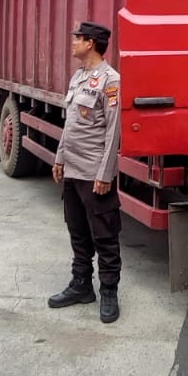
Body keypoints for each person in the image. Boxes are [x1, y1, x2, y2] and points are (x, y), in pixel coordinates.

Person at [47, 20, 125, 323]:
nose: (73, 43)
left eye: (77, 38)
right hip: (73, 171)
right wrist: (60, 158)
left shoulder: (110, 80)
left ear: (90, 43)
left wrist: (105, 174)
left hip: (94, 174)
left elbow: (113, 132)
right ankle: (81, 286)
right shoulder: (78, 77)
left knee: (104, 236)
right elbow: (70, 124)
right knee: (78, 233)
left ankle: (109, 292)